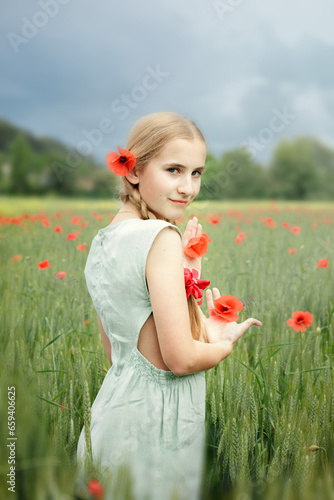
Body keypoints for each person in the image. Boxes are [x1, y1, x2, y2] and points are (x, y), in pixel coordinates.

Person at [76, 111, 262, 500]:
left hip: (110, 421)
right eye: (174, 170)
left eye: (196, 172)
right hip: (156, 431)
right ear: (133, 170)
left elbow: (124, 355)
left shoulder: (102, 242)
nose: (188, 187)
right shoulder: (161, 236)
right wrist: (223, 344)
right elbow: (178, 360)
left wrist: (193, 297)